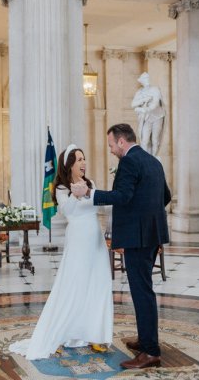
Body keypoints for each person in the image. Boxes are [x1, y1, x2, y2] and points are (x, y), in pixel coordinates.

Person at [72, 123, 171, 369]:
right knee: (143, 290)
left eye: (111, 145)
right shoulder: (153, 161)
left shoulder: (129, 162)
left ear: (121, 142)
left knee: (141, 292)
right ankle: (145, 339)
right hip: (151, 235)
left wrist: (90, 193)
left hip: (137, 237)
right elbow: (165, 196)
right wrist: (146, 213)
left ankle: (150, 351)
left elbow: (123, 196)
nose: (111, 150)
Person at [9, 144, 113, 360]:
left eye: (84, 159)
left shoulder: (91, 183)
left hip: (94, 238)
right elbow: (67, 211)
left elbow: (99, 206)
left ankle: (94, 333)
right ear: (70, 166)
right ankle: (60, 333)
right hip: (77, 238)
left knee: (97, 283)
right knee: (74, 284)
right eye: (79, 160)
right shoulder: (61, 188)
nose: (84, 163)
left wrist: (92, 192)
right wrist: (77, 195)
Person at [131, 72, 165, 156]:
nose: (146, 80)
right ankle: (145, 159)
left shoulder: (155, 89)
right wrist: (143, 100)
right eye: (144, 79)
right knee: (144, 139)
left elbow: (155, 103)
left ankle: (154, 158)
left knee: (155, 139)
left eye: (147, 78)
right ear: (141, 81)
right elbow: (133, 104)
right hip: (146, 117)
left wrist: (144, 109)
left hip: (157, 116)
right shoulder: (140, 92)